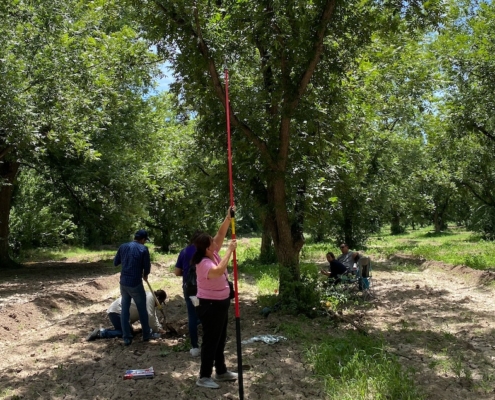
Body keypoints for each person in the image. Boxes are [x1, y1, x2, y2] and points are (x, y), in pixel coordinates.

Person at [192, 207, 238, 389]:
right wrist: (230, 250)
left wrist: (228, 218)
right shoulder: (204, 262)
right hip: (210, 306)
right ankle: (204, 376)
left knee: (220, 338)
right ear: (207, 247)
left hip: (221, 304)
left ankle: (221, 371)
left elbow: (221, 232)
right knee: (211, 340)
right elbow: (218, 271)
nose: (215, 241)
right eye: (212, 241)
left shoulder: (213, 252)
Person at [114, 229, 152, 346]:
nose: (145, 242)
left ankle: (126, 337)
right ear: (142, 239)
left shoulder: (123, 247)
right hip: (135, 283)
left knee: (125, 310)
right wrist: (145, 274)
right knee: (142, 309)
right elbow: (147, 266)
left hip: (124, 283)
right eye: (145, 240)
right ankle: (146, 335)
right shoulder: (143, 249)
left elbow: (116, 262)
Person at [86, 290, 166, 341]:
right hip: (117, 312)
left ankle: (109, 331)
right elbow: (150, 316)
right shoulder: (150, 298)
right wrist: (156, 330)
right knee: (127, 333)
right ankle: (101, 333)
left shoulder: (150, 298)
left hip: (117, 312)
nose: (160, 305)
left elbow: (153, 315)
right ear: (158, 298)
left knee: (127, 331)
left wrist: (159, 327)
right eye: (161, 302)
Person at [174, 230, 202, 357]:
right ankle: (209, 343)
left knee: (191, 315)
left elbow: (177, 272)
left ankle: (195, 346)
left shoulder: (184, 251)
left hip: (189, 287)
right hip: (203, 288)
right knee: (205, 313)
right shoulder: (205, 251)